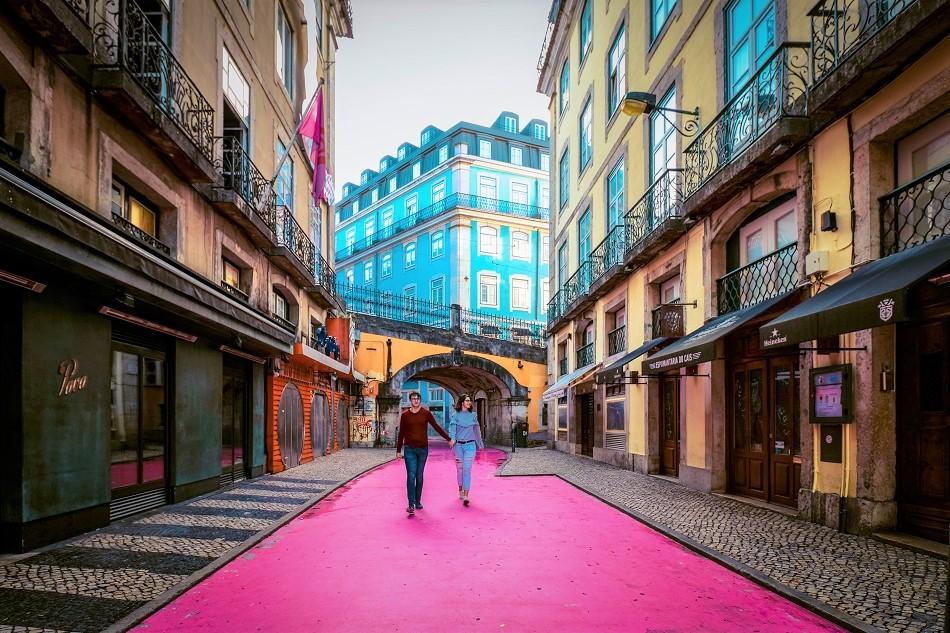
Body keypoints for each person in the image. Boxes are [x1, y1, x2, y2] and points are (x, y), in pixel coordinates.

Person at [396, 391, 452, 516]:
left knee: (419, 476)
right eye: (413, 399)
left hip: (422, 450)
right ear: (410, 400)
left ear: (420, 400)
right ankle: (411, 504)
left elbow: (436, 427)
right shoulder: (405, 415)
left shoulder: (426, 413)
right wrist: (399, 450)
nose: (415, 400)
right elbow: (401, 433)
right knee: (411, 476)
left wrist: (448, 439)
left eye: (417, 399)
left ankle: (418, 501)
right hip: (409, 449)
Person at [448, 394, 484, 507]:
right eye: (467, 400)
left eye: (470, 401)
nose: (469, 402)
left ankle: (466, 495)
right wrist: (452, 439)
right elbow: (452, 429)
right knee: (460, 469)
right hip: (458, 446)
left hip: (470, 446)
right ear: (462, 402)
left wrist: (480, 444)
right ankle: (460, 490)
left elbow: (477, 430)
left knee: (467, 469)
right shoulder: (455, 416)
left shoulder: (473, 415)